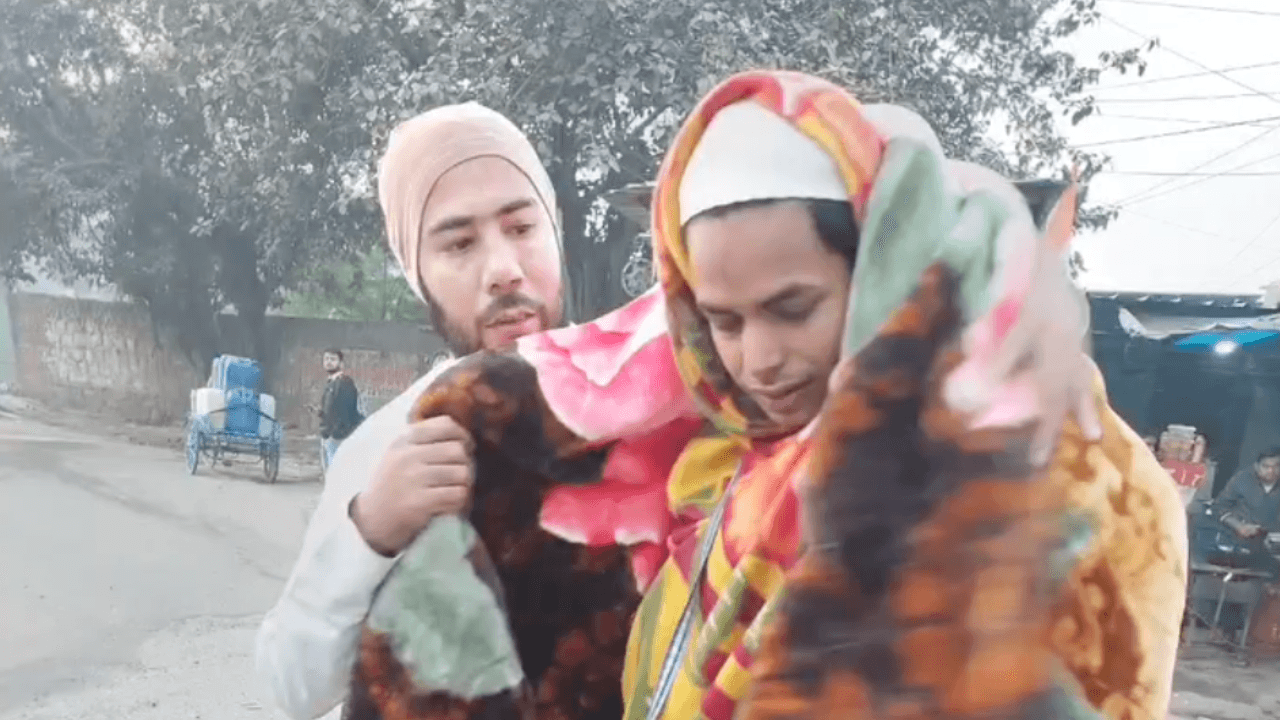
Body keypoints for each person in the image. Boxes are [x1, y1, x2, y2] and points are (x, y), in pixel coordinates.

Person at [448, 71, 1185, 720]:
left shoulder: (1041, 468)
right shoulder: (730, 459)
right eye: (723, 322)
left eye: (793, 309)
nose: (759, 362)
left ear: (876, 272)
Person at [255, 102, 569, 720]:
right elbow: (292, 688)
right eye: (459, 243)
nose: (504, 270)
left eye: (521, 227)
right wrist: (371, 529)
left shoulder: (647, 411)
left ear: (555, 229)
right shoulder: (388, 447)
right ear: (416, 274)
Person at [1215, 447, 1280, 572]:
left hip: (1272, 544)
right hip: (1238, 542)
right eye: (1266, 466)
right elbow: (1219, 506)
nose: (1271, 471)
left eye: (1276, 466)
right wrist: (1238, 525)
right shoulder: (1242, 479)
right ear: (1257, 466)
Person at [317, 349, 361, 472]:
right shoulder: (331, 383)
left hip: (337, 435)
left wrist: (336, 432)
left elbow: (347, 409)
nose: (329, 362)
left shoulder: (344, 383)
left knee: (335, 470)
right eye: (326, 359)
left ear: (341, 363)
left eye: (333, 359)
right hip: (328, 433)